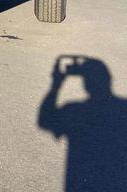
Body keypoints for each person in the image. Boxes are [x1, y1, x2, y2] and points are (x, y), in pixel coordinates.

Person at [39, 56, 127, 191]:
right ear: (109, 80)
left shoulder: (74, 110)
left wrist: (56, 84)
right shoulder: (123, 107)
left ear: (86, 84)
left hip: (80, 183)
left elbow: (44, 120)